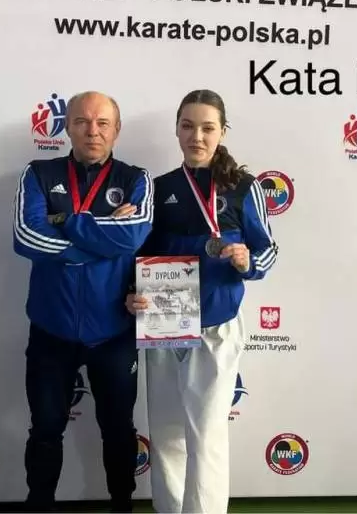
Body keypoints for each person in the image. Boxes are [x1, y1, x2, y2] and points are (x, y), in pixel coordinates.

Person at [125, 89, 278, 514]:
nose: (197, 136)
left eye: (208, 128)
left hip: (216, 323)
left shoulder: (243, 187)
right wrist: (131, 292)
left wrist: (248, 260)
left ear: (222, 131)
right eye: (188, 126)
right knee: (167, 434)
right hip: (165, 323)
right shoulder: (159, 189)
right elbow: (139, 255)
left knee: (206, 436)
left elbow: (267, 249)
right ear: (176, 130)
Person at [13, 91, 154, 513]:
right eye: (82, 121)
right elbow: (26, 237)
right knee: (45, 429)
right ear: (67, 127)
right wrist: (102, 236)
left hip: (113, 331)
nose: (93, 131)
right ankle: (39, 506)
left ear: (117, 129)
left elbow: (133, 235)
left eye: (102, 122)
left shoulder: (136, 178)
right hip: (51, 330)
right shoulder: (39, 173)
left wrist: (66, 222)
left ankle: (122, 505)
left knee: (119, 429)